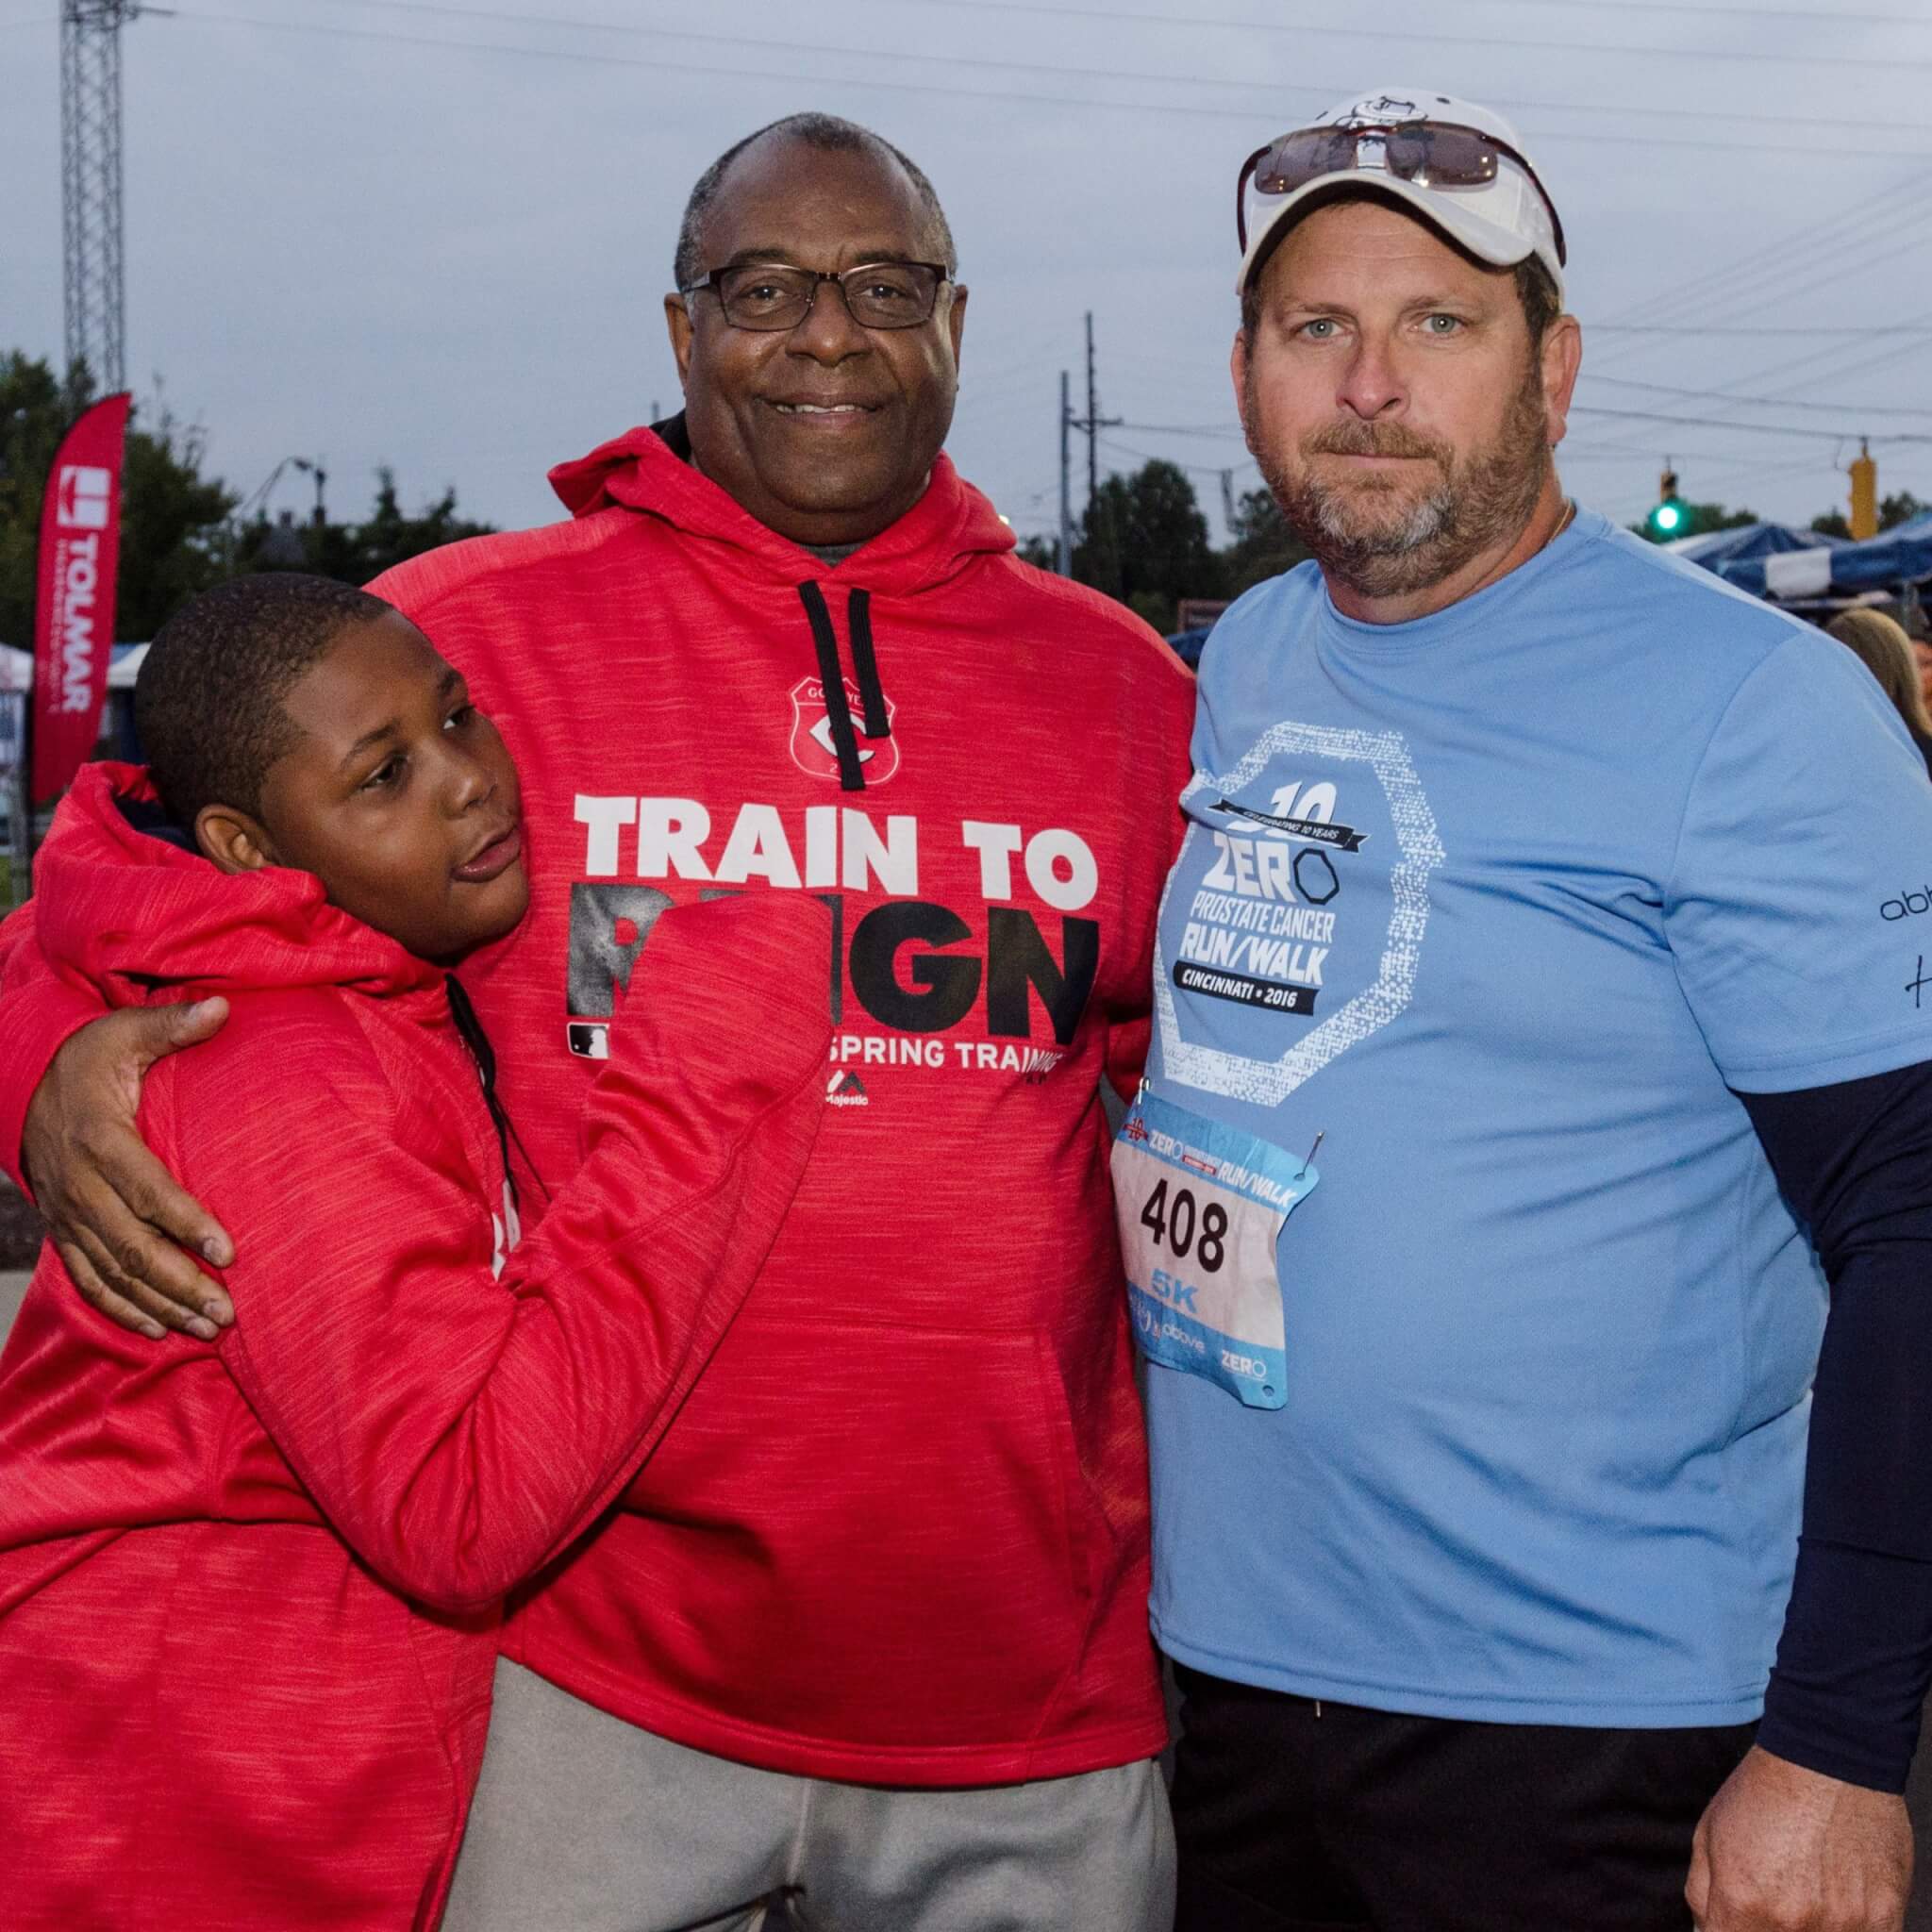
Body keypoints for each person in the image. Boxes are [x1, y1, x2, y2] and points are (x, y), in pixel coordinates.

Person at [0, 115, 1191, 1931]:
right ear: (675, 327)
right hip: (580, 1677)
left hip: (1015, 1701)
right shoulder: (465, 653)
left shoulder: (1119, 689)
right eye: (760, 288)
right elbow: (117, 868)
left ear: (953, 320)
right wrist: (49, 1073)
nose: (824, 334)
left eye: (883, 286)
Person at [1124, 86, 1932, 1932]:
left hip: (1598, 1725)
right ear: (1246, 369)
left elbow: (1912, 1220)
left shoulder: (1752, 705)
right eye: (1314, 326)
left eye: (1438, 324)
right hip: (1233, 1691)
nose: (1369, 384)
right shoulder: (1242, 660)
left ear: (1551, 368)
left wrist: (1835, 1747)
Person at [0, 573, 832, 1928]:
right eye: (384, 776)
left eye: (458, 716)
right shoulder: (287, 1073)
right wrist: (718, 1073)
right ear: (244, 844)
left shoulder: (345, 976)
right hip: (155, 1812)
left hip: (232, 1776)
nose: (467, 782)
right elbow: (460, 1504)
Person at [1827, 607, 1932, 774]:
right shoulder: (1915, 752)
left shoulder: (1812, 750)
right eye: (1918, 664)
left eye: (1925, 663)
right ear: (1904, 669)